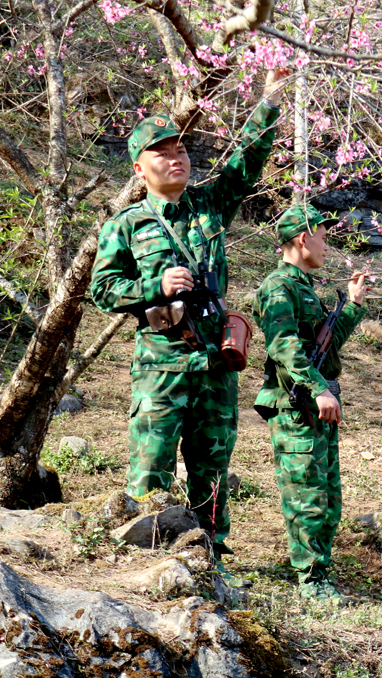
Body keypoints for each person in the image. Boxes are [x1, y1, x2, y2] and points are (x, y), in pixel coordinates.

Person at [90, 69, 289, 558]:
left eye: (180, 150)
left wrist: (268, 101)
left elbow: (245, 165)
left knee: (212, 465)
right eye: (162, 152)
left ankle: (209, 554)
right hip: (161, 362)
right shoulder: (127, 224)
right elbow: (101, 289)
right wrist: (153, 286)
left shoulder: (209, 205)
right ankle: (145, 555)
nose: (176, 158)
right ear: (140, 168)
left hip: (216, 363)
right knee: (152, 463)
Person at [252, 204, 367, 602]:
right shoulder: (278, 287)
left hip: (317, 403)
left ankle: (321, 573)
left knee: (328, 495)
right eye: (322, 237)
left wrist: (352, 305)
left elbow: (325, 345)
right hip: (295, 405)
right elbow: (283, 346)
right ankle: (311, 580)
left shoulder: (304, 287)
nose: (326, 246)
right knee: (306, 495)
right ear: (303, 238)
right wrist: (318, 388)